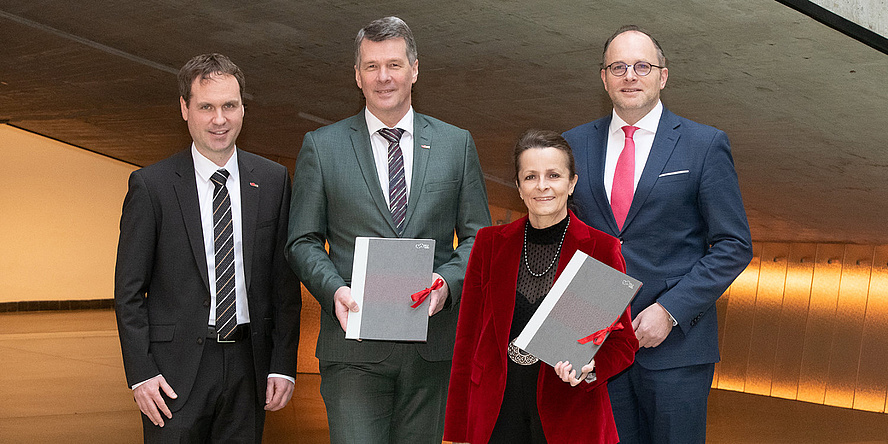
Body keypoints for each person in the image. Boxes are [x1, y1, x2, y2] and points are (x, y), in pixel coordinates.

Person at [285, 16, 491, 444]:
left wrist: (446, 285)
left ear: (415, 69)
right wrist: (334, 291)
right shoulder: (321, 147)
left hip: (431, 350)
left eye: (394, 65)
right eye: (372, 66)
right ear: (357, 76)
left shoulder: (457, 144)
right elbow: (302, 241)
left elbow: (478, 238)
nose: (384, 77)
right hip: (352, 348)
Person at [563, 25, 753, 443]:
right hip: (597, 346)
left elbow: (733, 245)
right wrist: (564, 334)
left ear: (662, 76)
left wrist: (669, 311)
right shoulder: (573, 145)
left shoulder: (704, 145)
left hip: (676, 351)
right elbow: (568, 240)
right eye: (618, 67)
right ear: (604, 78)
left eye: (642, 66)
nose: (630, 76)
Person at [114, 53, 301, 443]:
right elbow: (129, 293)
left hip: (249, 368)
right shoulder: (152, 186)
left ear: (243, 108)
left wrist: (282, 365)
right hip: (172, 375)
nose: (220, 119)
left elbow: (284, 286)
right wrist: (141, 374)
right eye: (207, 107)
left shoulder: (272, 180)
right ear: (185, 109)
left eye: (230, 106)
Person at [444, 129, 638, 444]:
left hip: (569, 413)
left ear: (571, 183)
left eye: (554, 175)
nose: (542, 186)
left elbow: (623, 343)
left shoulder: (601, 249)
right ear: (519, 186)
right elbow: (466, 339)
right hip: (495, 414)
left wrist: (589, 369)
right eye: (531, 176)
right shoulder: (489, 243)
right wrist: (460, 429)